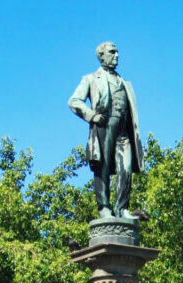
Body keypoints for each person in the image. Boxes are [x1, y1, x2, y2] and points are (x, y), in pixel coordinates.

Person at [68, 41, 144, 219]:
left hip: (124, 130)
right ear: (101, 56)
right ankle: (104, 207)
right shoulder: (91, 78)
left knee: (125, 168)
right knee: (102, 167)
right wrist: (92, 116)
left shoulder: (125, 83)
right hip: (104, 126)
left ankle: (122, 209)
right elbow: (74, 101)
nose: (116, 55)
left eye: (117, 52)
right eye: (112, 52)